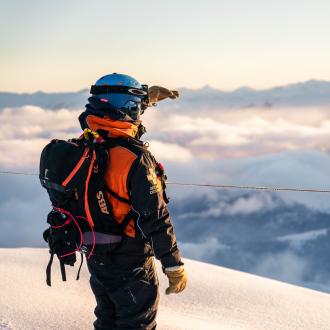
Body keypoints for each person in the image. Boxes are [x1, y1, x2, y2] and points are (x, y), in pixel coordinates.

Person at [78, 73, 187, 330]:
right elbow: (155, 217)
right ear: (127, 108)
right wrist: (172, 264)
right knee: (137, 324)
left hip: (97, 255)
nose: (139, 111)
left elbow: (113, 116)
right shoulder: (134, 159)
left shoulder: (89, 142)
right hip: (131, 261)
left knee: (107, 319)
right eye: (136, 105)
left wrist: (145, 99)